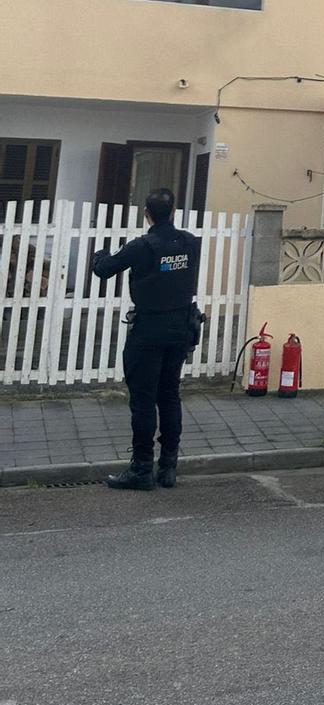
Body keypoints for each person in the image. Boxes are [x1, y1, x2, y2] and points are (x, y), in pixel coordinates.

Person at [91, 187, 202, 490]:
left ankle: (141, 468)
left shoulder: (143, 246)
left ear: (147, 214)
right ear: (174, 212)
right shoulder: (191, 243)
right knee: (169, 395)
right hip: (180, 329)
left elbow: (104, 269)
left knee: (143, 399)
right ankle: (168, 467)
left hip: (149, 331)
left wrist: (99, 253)